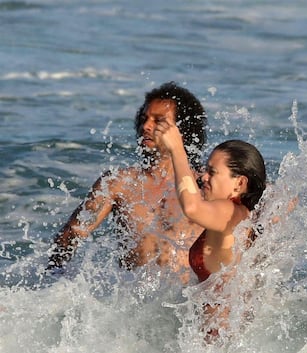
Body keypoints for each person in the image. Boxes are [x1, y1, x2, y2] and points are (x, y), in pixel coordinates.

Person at [46, 82, 207, 279]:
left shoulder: (205, 184)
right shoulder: (119, 183)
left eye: (159, 121)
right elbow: (71, 235)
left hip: (186, 302)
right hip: (132, 301)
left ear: (182, 130)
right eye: (144, 118)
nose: (146, 126)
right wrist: (55, 280)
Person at [154, 120, 267, 283]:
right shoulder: (242, 215)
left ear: (240, 183)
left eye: (212, 172)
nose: (203, 177)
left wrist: (177, 149)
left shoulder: (232, 212)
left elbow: (192, 207)